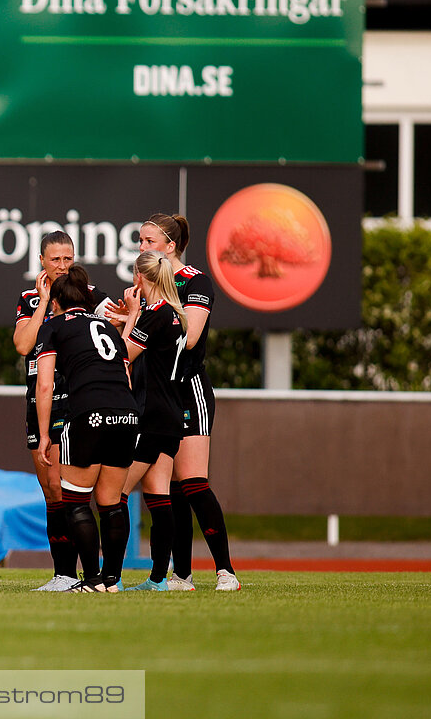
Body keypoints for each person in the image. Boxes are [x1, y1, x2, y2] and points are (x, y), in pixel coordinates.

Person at [138, 212, 238, 592]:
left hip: (188, 387)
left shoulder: (193, 282)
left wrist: (154, 311)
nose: (142, 247)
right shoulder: (149, 283)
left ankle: (226, 571)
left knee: (194, 481)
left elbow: (191, 336)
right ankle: (181, 575)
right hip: (158, 392)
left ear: (171, 245)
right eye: (141, 240)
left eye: (149, 241)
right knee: (171, 488)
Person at [13, 230, 109, 592]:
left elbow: (116, 327)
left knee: (68, 489)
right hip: (40, 402)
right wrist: (42, 303)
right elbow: (23, 344)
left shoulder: (90, 296)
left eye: (68, 258)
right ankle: (64, 574)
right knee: (51, 491)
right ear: (42, 261)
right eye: (56, 259)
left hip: (75, 401)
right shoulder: (27, 299)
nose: (63, 266)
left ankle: (93, 576)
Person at [33, 267, 137, 592]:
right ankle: (112, 580)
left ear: (57, 301)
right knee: (111, 503)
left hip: (88, 413)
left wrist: (44, 434)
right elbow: (127, 375)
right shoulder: (106, 326)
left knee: (76, 501)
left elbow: (45, 385)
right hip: (127, 413)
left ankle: (91, 579)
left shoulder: (52, 327)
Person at [114, 250, 187, 591]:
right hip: (172, 414)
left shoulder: (154, 314)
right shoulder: (176, 314)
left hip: (151, 415)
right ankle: (159, 579)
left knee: (116, 493)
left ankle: (108, 576)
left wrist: (130, 316)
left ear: (140, 278)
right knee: (159, 496)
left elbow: (122, 355)